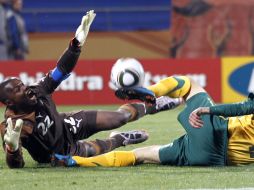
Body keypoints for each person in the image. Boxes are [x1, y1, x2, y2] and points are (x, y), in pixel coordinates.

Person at [0, 10, 171, 168]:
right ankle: (119, 139)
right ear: (9, 102)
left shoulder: (38, 90)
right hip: (60, 153)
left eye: (22, 84)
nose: (26, 88)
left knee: (120, 117)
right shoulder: (11, 127)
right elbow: (17, 165)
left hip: (67, 125)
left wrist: (75, 46)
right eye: (18, 89)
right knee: (97, 149)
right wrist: (12, 148)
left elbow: (61, 70)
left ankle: (152, 105)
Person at [52, 75, 254, 167]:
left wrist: (209, 109)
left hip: (215, 134)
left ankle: (151, 94)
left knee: (189, 85)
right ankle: (74, 161)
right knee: (140, 155)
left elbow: (243, 107)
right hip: (214, 161)